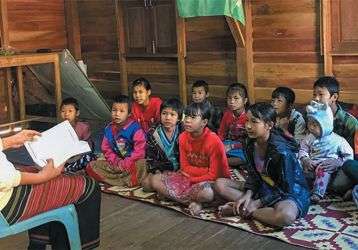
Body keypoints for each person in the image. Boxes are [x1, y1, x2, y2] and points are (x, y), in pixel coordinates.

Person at [0, 130, 101, 250]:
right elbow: (5, 179)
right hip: (5, 203)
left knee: (53, 181)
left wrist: (7, 142)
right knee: (88, 186)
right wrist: (42, 177)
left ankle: (38, 245)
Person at [215, 103, 310, 227]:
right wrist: (248, 195)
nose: (248, 126)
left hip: (288, 192)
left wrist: (257, 204)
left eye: (254, 122)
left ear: (269, 125)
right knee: (220, 184)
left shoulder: (282, 152)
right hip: (264, 186)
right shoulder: (249, 142)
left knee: (285, 217)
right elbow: (253, 174)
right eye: (247, 121)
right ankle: (247, 206)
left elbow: (285, 188)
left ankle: (245, 211)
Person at [150, 102, 231, 215]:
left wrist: (190, 178)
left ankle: (190, 199)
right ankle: (194, 202)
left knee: (207, 193)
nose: (187, 120)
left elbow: (214, 175)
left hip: (210, 182)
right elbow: (184, 167)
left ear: (204, 122)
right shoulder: (183, 137)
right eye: (186, 116)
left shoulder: (214, 141)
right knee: (154, 180)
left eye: (193, 117)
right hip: (188, 178)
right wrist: (196, 173)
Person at [86, 95, 146, 187]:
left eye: (122, 111)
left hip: (132, 163)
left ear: (129, 114)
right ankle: (125, 181)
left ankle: (118, 180)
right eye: (114, 110)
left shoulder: (135, 128)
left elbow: (140, 151)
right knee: (91, 166)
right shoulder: (109, 129)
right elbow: (106, 149)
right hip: (116, 164)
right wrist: (116, 161)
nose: (117, 114)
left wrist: (127, 162)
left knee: (142, 164)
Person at [312, 76, 358, 196]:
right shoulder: (313, 118)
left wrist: (339, 162)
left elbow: (354, 155)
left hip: (342, 165)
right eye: (314, 94)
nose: (316, 99)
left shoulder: (350, 122)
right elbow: (308, 143)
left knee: (338, 185)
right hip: (319, 162)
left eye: (321, 94)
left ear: (334, 97)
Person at [299, 101, 353, 202]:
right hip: (311, 165)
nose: (311, 127)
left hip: (329, 168)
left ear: (326, 125)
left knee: (323, 171)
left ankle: (317, 193)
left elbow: (349, 156)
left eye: (315, 125)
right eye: (309, 123)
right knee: (296, 165)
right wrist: (305, 159)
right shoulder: (309, 138)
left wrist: (338, 162)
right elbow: (303, 149)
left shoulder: (338, 140)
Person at [141, 98, 183, 191]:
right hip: (162, 169)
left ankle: (165, 190)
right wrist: (157, 171)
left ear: (179, 118)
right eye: (164, 113)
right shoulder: (153, 133)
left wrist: (181, 170)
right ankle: (165, 188)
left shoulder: (183, 132)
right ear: (160, 115)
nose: (167, 118)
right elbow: (150, 157)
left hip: (181, 170)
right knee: (146, 185)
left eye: (172, 114)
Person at [60, 97, 96, 173]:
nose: (66, 114)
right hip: (66, 159)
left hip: (80, 156)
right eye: (63, 111)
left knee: (89, 158)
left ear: (77, 113)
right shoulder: (60, 129)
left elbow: (87, 148)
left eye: (70, 111)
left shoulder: (83, 127)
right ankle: (70, 168)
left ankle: (67, 169)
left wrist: (74, 156)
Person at [217, 83, 248, 167]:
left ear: (245, 100)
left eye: (236, 98)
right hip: (228, 143)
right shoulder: (227, 114)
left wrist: (232, 146)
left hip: (242, 146)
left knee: (246, 157)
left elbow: (250, 141)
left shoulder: (249, 117)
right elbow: (222, 133)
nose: (232, 102)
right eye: (229, 98)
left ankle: (219, 162)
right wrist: (219, 145)